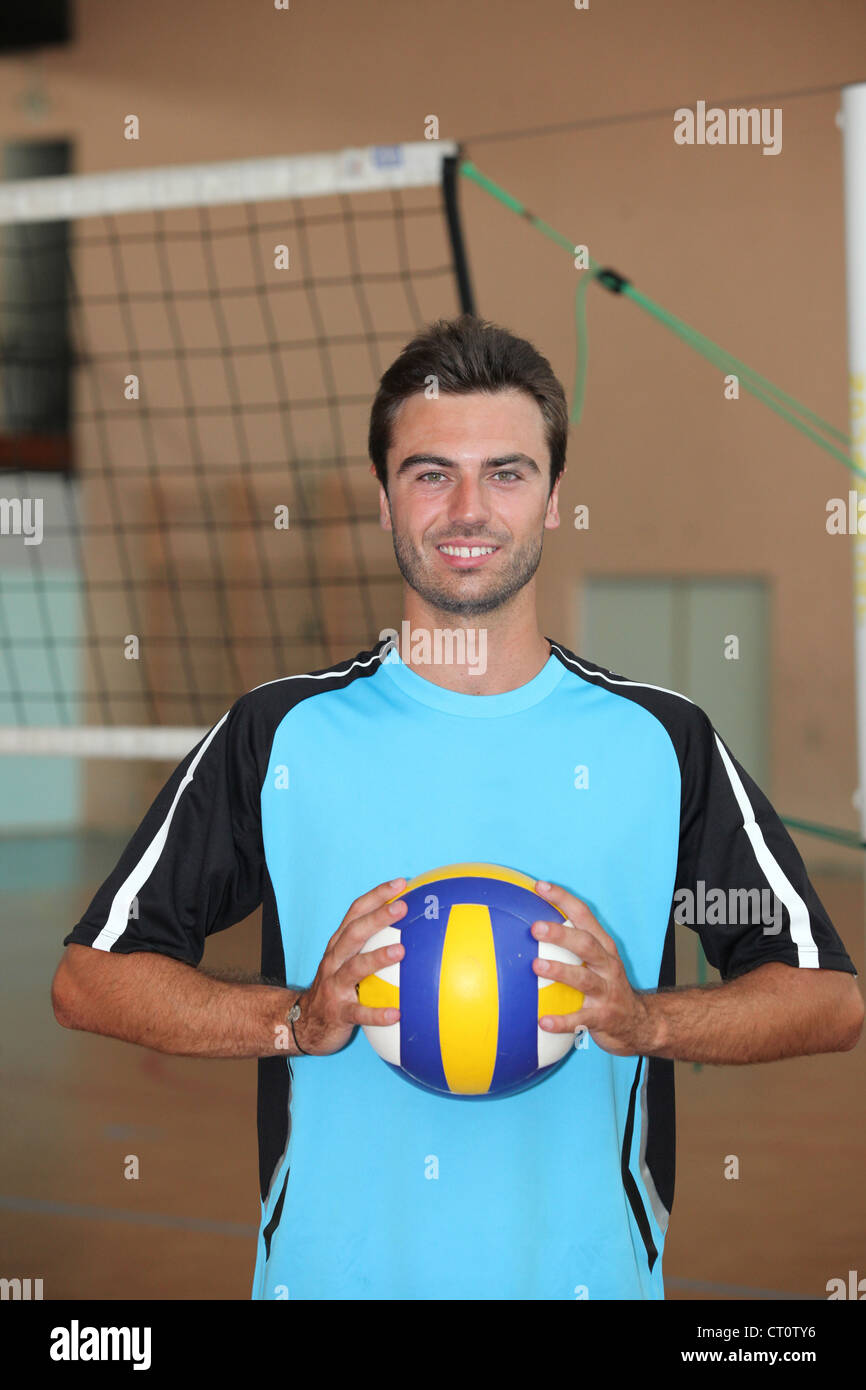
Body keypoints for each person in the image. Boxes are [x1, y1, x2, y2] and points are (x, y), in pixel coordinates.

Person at [52, 314, 863, 1300]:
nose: (467, 507)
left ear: (556, 499)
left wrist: (647, 1020)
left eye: (507, 473)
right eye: (430, 473)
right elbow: (91, 977)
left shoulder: (663, 742)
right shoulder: (279, 735)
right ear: (382, 500)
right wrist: (292, 1020)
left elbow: (826, 995)